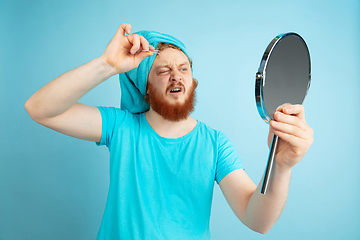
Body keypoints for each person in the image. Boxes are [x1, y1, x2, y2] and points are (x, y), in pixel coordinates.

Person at [25, 23, 314, 239]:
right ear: (145, 88)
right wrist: (107, 64)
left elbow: (258, 220)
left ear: (192, 81)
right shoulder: (120, 127)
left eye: (184, 68)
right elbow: (40, 109)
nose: (176, 75)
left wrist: (281, 166)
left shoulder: (214, 144)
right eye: (163, 71)